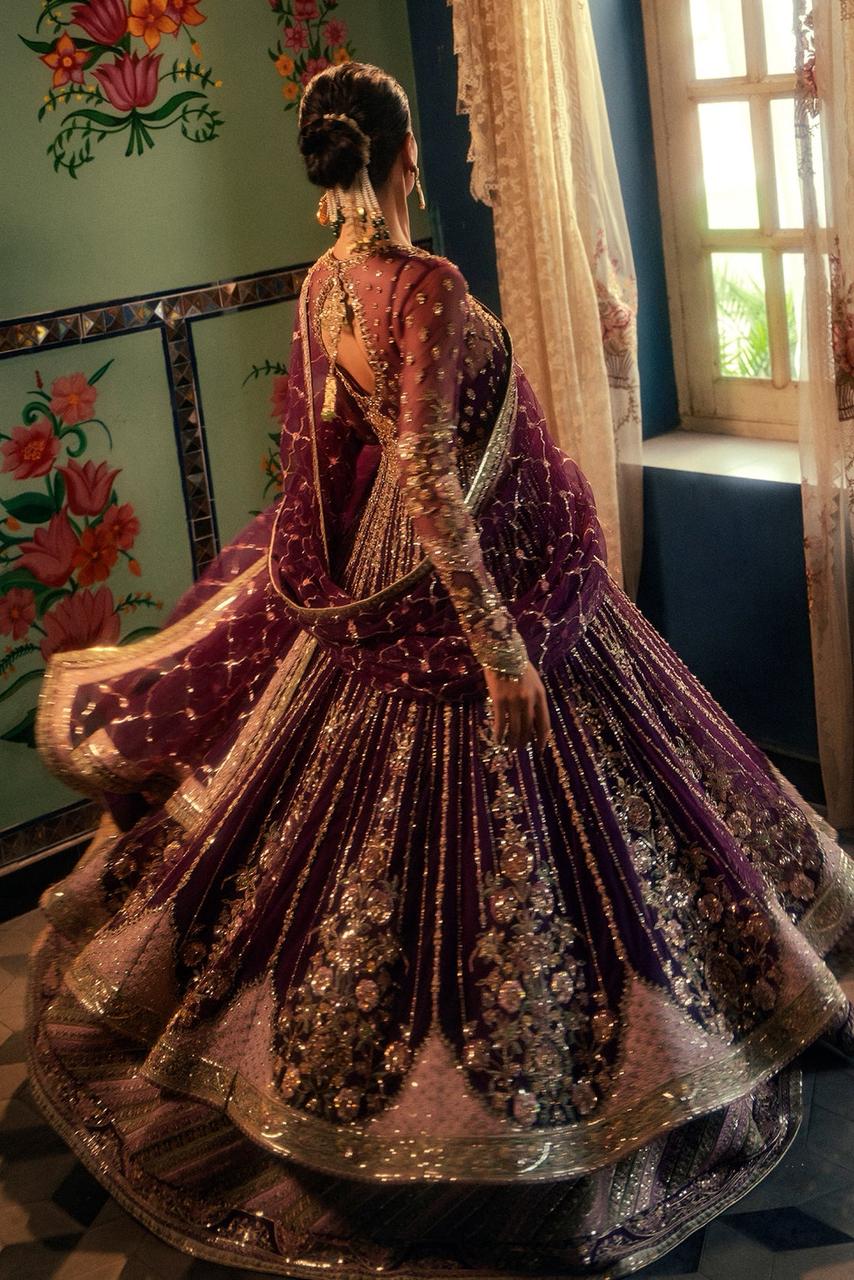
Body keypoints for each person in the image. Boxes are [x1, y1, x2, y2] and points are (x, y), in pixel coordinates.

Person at [26, 61, 854, 1279]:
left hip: (393, 562)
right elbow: (423, 469)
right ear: (405, 153)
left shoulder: (322, 281)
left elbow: (341, 449)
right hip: (467, 574)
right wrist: (498, 649)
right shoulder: (427, 284)